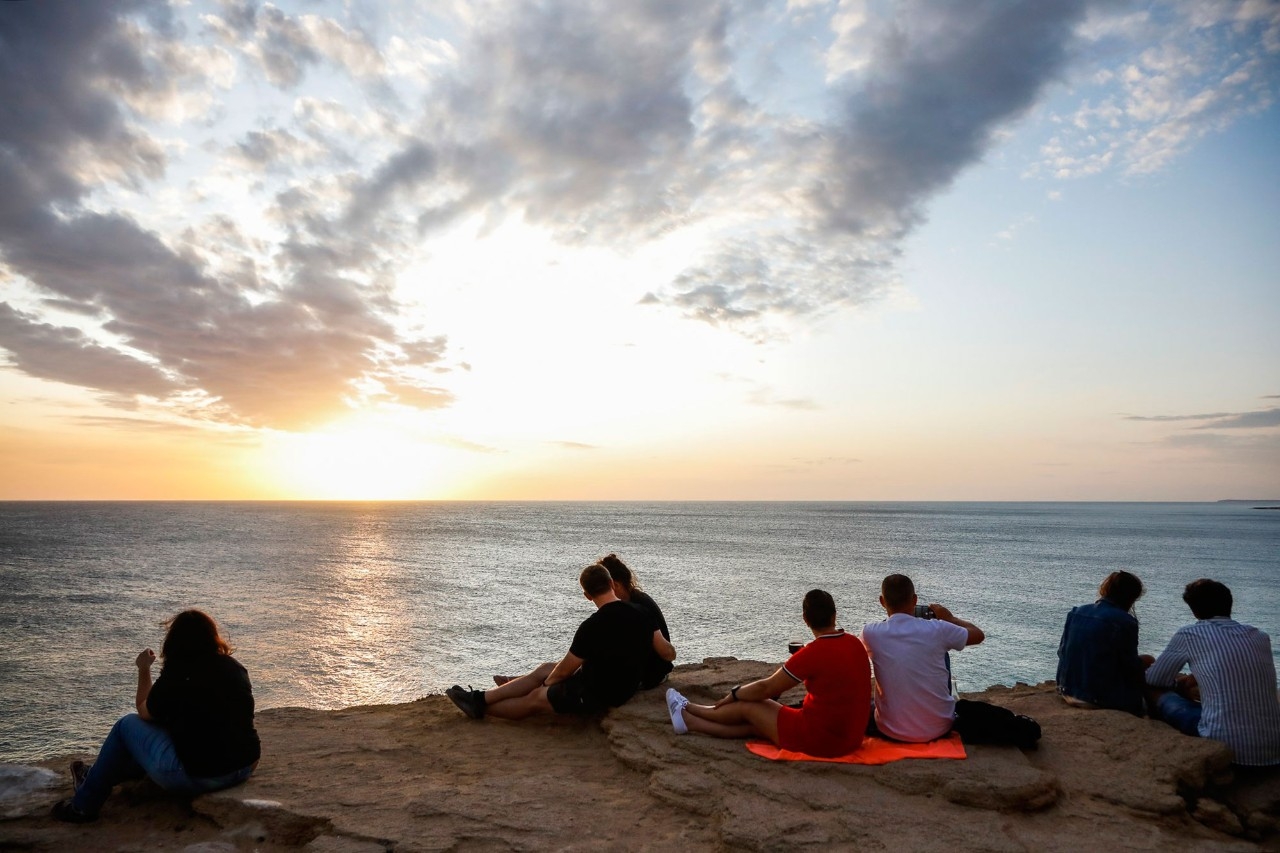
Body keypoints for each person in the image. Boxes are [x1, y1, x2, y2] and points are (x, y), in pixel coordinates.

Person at [52, 610, 261, 823]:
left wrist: (144, 669)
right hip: (245, 766)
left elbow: (144, 711)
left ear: (174, 641)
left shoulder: (179, 674)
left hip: (198, 777)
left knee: (126, 725)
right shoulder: (235, 668)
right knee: (168, 729)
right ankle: (98, 775)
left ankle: (83, 807)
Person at [447, 563, 675, 720]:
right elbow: (666, 652)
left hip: (601, 693)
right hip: (622, 684)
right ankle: (479, 697)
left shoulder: (592, 626)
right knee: (545, 668)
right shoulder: (642, 613)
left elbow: (565, 671)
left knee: (535, 698)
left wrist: (546, 686)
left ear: (587, 595)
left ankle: (481, 709)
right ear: (611, 584)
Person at [665, 589, 871, 758]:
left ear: (805, 619)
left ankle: (691, 708)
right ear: (834, 615)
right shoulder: (855, 643)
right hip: (851, 738)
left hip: (820, 739)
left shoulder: (813, 653)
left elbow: (767, 688)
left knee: (751, 705)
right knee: (756, 726)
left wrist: (735, 694)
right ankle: (689, 722)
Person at [861, 574, 1039, 748]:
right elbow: (978, 635)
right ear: (915, 600)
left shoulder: (870, 634)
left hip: (890, 730)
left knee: (869, 705)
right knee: (941, 649)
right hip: (939, 727)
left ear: (882, 601)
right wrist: (950, 619)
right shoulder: (938, 629)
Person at [1145, 579, 1280, 766]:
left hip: (1225, 748)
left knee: (1154, 691)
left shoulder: (1189, 634)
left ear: (1194, 610)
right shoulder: (1260, 636)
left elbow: (1155, 678)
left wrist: (1177, 684)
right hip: (1273, 751)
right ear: (1229, 604)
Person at [1056, 571, 1154, 715]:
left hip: (1066, 690)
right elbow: (1130, 667)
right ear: (1131, 597)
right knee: (1148, 660)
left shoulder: (1076, 612)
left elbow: (1061, 652)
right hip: (1099, 699)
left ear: (1105, 589)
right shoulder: (1125, 622)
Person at [599, 553, 673, 689]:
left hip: (651, 674)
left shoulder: (636, 608)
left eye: (602, 590)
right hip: (653, 669)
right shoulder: (635, 600)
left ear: (614, 585)